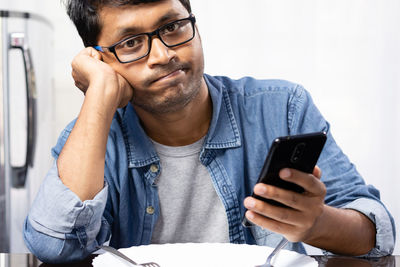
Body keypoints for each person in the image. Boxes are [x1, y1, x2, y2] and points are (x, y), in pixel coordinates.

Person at [23, 0, 395, 263]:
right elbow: (55, 246)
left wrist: (317, 224)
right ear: (100, 59)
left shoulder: (282, 106)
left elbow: (376, 235)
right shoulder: (92, 134)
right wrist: (100, 94)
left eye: (172, 27)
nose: (163, 54)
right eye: (131, 42)